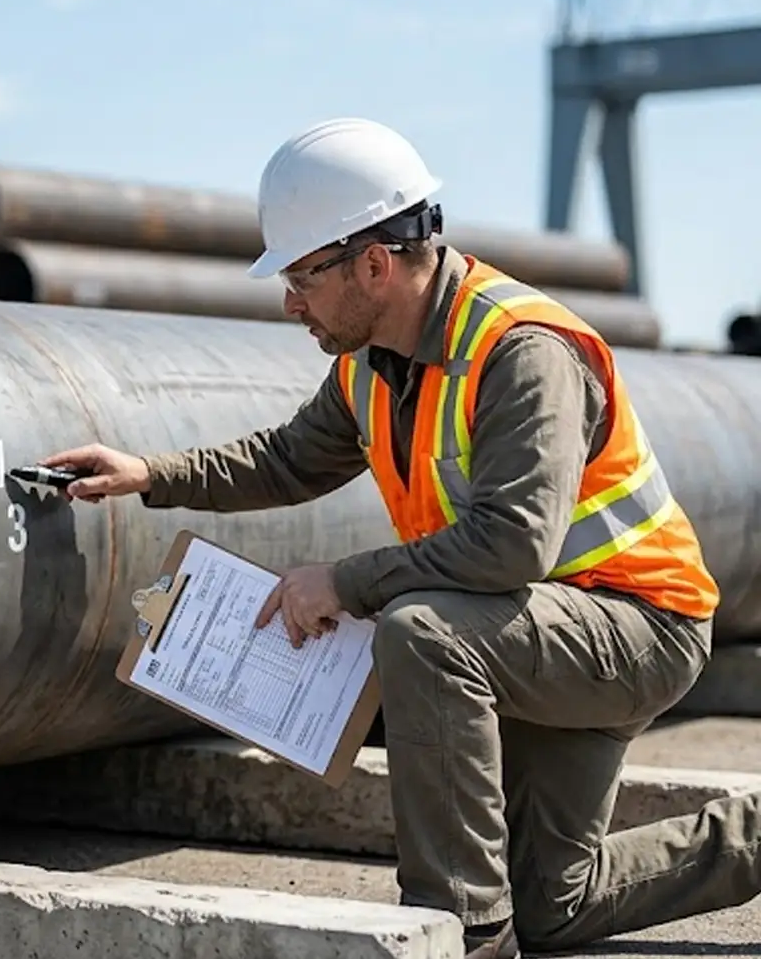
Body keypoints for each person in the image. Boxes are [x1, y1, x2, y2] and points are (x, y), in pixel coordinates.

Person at [41, 117, 761, 958]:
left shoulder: (521, 354)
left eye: (304, 276)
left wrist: (343, 583)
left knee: (419, 634)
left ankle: (461, 931)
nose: (290, 302)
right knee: (560, 906)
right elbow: (285, 460)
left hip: (637, 628)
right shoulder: (371, 364)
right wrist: (151, 473)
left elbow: (515, 543)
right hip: (529, 627)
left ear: (374, 263)